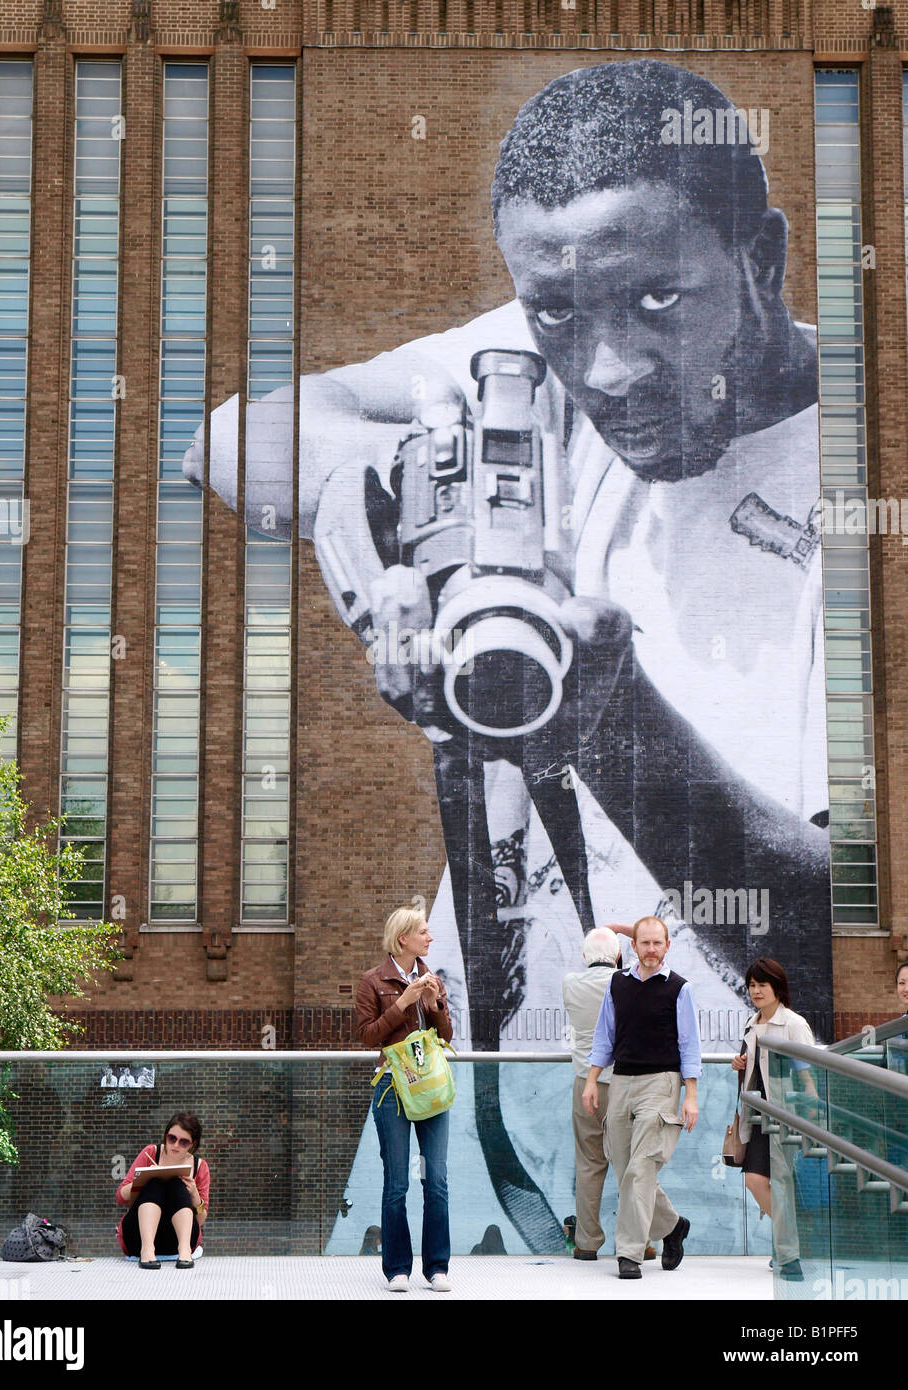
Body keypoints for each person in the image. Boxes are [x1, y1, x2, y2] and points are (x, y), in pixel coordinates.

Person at [188, 58, 831, 1252]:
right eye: (554, 314)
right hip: (478, 1123)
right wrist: (354, 502)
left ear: (764, 259)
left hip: (724, 1147)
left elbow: (834, 947)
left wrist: (615, 730)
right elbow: (228, 434)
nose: (601, 372)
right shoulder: (540, 352)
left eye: (657, 305)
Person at [583, 915, 700, 1279]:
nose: (651, 949)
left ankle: (629, 1254)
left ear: (667, 946)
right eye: (645, 943)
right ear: (633, 946)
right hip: (621, 1083)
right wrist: (592, 1080)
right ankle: (673, 1225)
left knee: (642, 1166)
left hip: (662, 1084)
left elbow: (689, 1045)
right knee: (625, 1169)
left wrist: (690, 1095)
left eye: (657, 943)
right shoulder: (617, 984)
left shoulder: (680, 988)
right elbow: (604, 1037)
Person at [355, 906, 453, 1291]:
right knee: (397, 1181)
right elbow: (367, 1036)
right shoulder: (372, 981)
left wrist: (433, 1006)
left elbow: (447, 1036)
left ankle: (437, 1267)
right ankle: (397, 1268)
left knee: (436, 1179)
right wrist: (401, 1003)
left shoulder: (432, 980)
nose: (430, 938)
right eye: (424, 932)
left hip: (431, 1088)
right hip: (392, 1088)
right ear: (403, 939)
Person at [732, 958, 816, 1281]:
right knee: (755, 1180)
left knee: (779, 1183)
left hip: (784, 1113)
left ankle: (789, 1255)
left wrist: (809, 1108)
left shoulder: (793, 1024)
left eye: (762, 985)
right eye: (752, 985)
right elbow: (755, 1068)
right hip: (756, 1114)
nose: (756, 991)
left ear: (777, 987)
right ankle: (790, 1241)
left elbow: (807, 1072)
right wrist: (739, 1063)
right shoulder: (751, 1025)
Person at [563, 924, 632, 1260]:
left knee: (589, 1164)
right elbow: (654, 955)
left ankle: (587, 1243)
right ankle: (638, 1240)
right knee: (631, 1164)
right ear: (619, 955)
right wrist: (620, 930)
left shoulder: (570, 984)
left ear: (583, 956)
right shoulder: (628, 983)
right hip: (623, 1083)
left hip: (584, 1084)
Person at [115, 1111, 210, 1269]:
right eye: (172, 1138)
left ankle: (185, 1251)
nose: (175, 1145)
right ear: (166, 1135)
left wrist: (194, 1194)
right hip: (139, 1236)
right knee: (155, 1182)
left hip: (178, 1239)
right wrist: (144, 1178)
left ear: (192, 1144)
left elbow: (200, 1220)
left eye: (183, 1142)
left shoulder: (200, 1166)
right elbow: (120, 1197)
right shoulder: (151, 1153)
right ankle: (147, 1250)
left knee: (176, 1183)